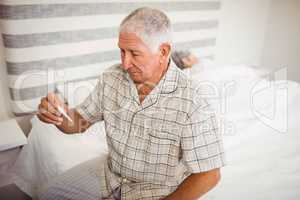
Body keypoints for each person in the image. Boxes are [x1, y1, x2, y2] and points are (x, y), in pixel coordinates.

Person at [37, 7, 226, 200]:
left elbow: (209, 174)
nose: (125, 63)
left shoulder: (192, 99)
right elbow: (78, 123)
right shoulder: (112, 77)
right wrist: (57, 114)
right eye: (122, 51)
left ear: (163, 51)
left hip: (157, 191)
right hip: (110, 175)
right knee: (47, 195)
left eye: (134, 54)